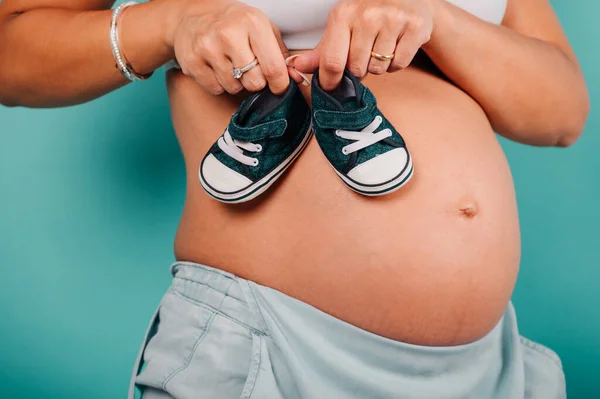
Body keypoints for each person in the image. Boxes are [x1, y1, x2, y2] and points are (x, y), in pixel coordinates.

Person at [0, 0, 589, 398]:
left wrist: (435, 16)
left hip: (490, 366)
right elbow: (11, 51)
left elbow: (562, 111)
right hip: (267, 350)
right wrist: (170, 23)